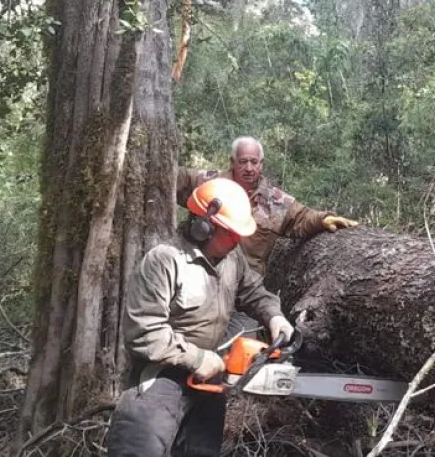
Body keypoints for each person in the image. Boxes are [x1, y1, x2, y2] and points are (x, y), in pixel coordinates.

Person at [107, 178, 296, 456]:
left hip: (208, 381)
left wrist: (274, 316)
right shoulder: (165, 261)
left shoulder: (232, 259)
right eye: (229, 233)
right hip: (160, 378)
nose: (236, 240)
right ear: (203, 226)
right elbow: (144, 332)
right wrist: (198, 358)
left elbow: (253, 292)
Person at [177, 136, 358, 274]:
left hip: (243, 294)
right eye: (243, 161)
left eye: (254, 162)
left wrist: (324, 219)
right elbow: (174, 179)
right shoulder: (209, 183)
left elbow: (302, 217)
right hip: (198, 278)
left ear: (261, 164)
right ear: (232, 162)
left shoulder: (275, 202)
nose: (249, 168)